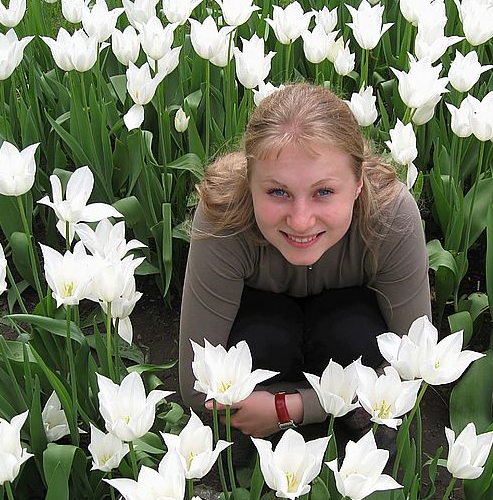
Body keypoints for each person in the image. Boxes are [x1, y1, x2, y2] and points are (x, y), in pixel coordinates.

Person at [178, 83, 431, 441]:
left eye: (323, 192)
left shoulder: (390, 215)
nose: (300, 220)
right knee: (263, 338)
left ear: (358, 183)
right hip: (262, 363)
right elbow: (195, 384)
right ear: (250, 183)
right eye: (277, 192)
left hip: (343, 354)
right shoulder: (224, 213)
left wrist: (290, 407)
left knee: (353, 332)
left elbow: (412, 365)